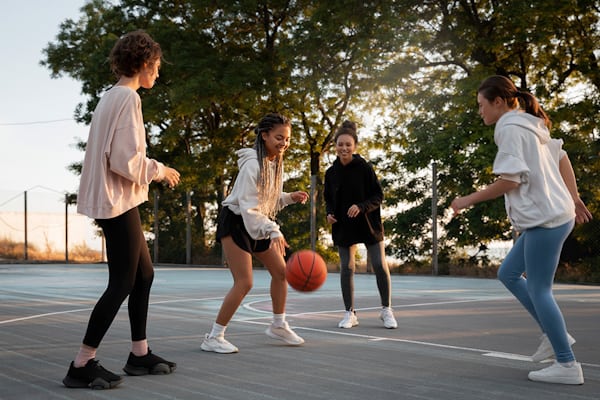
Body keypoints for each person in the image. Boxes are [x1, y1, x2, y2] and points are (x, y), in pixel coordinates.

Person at [451, 75, 592, 385]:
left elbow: (510, 181)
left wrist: (467, 200)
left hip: (547, 219)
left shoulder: (511, 129)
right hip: (553, 215)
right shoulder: (531, 124)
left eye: (481, 105)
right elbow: (562, 157)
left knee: (541, 290)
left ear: (498, 102)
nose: (480, 112)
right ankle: (554, 335)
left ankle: (567, 364)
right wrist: (574, 197)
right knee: (509, 274)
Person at [62, 30, 181, 389]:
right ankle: (82, 364)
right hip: (116, 202)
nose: (158, 74)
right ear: (144, 64)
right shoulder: (128, 100)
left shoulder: (109, 97)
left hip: (116, 200)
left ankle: (139, 355)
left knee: (144, 276)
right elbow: (125, 161)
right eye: (156, 67)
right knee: (122, 282)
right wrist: (160, 170)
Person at [201, 112, 309, 354]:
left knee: (281, 272)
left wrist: (288, 198)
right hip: (237, 223)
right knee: (244, 282)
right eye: (279, 138)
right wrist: (274, 231)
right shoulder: (253, 165)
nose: (284, 143)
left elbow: (267, 201)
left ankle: (278, 325)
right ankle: (214, 336)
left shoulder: (274, 164)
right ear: (264, 136)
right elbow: (250, 209)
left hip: (256, 222)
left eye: (288, 139)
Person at [324, 121, 398, 330]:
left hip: (368, 224)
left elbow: (378, 195)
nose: (344, 148)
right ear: (335, 146)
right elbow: (328, 198)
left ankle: (386, 310)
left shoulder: (365, 168)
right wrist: (329, 213)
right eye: (340, 144)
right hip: (343, 226)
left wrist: (361, 206)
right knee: (346, 269)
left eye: (348, 144)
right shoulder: (331, 173)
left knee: (379, 265)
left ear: (355, 146)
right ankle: (350, 313)